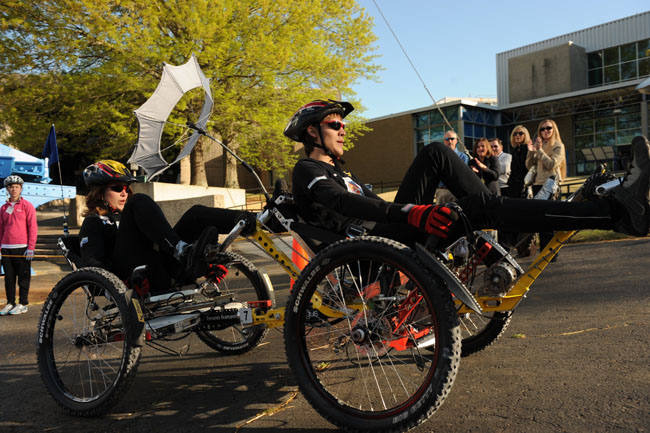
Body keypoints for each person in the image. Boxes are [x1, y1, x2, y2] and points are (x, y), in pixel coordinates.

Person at [286, 100, 650, 252]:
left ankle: (608, 207)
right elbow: (338, 202)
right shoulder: (308, 170)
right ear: (312, 133)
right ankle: (615, 212)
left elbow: (360, 199)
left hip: (386, 234)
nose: (343, 129)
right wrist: (408, 211)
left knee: (438, 156)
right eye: (335, 123)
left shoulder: (338, 170)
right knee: (477, 202)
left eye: (343, 123)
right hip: (371, 246)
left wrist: (405, 209)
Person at [78, 160, 252, 294]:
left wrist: (207, 270)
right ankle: (184, 252)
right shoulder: (93, 222)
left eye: (126, 187)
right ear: (99, 193)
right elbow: (92, 266)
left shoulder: (134, 215)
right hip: (137, 279)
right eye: (117, 188)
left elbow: (160, 238)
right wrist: (118, 287)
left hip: (164, 269)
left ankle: (259, 220)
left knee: (196, 214)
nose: (124, 192)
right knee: (138, 200)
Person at [526, 119, 566, 255]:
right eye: (542, 129)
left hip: (551, 184)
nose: (545, 131)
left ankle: (551, 253)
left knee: (551, 220)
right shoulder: (539, 145)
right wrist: (531, 151)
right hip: (537, 184)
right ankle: (543, 252)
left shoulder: (558, 145)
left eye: (548, 128)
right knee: (541, 220)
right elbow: (529, 165)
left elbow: (551, 164)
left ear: (554, 129)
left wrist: (540, 151)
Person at [0, 175, 37, 316]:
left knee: (23, 277)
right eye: (11, 187)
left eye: (16, 187)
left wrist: (31, 247)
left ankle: (23, 303)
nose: (14, 189)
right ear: (7, 189)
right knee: (9, 278)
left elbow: (32, 228)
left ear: (21, 189)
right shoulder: (3, 208)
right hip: (6, 248)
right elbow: (1, 229)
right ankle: (10, 302)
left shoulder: (27, 206)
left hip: (22, 248)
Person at [436, 131, 468, 204]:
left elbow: (462, 176)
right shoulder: (439, 157)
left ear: (456, 140)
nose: (450, 141)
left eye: (452, 139)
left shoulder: (463, 157)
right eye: (447, 139)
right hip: (442, 191)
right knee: (439, 213)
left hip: (455, 191)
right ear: (444, 141)